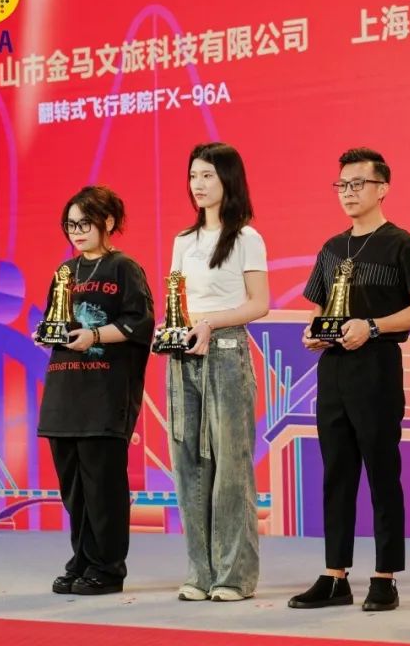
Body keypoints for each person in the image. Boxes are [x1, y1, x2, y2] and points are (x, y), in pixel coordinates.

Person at [288, 148, 410, 612]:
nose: (348, 193)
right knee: (336, 473)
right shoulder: (332, 249)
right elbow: (318, 312)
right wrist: (313, 333)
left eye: (358, 184)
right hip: (332, 370)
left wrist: (371, 327)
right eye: (342, 185)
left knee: (382, 472)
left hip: (377, 366)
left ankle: (385, 575)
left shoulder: (401, 244)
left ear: (382, 188)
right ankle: (335, 575)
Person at [38, 185, 155, 596]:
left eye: (84, 224)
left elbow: (141, 324)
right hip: (64, 391)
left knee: (103, 488)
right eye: (70, 225)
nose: (76, 232)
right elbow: (55, 323)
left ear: (108, 222)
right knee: (74, 490)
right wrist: (46, 334)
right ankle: (83, 560)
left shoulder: (124, 268)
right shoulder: (64, 272)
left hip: (105, 394)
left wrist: (95, 335)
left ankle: (107, 567)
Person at [166, 143, 270, 602]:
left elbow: (259, 304)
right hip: (184, 356)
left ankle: (234, 576)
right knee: (188, 464)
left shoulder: (247, 237)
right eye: (193, 175)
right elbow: (176, 301)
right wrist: (176, 330)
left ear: (228, 180)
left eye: (208, 175)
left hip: (227, 353)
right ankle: (200, 573)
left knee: (230, 466)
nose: (198, 184)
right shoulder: (182, 241)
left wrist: (210, 323)